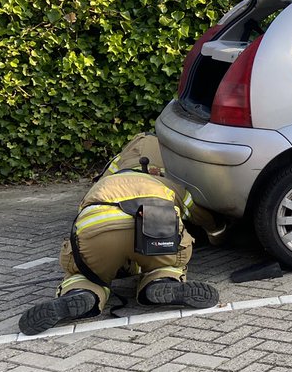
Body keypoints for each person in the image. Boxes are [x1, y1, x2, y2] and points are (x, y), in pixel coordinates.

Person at [18, 133, 222, 336]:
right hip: (155, 230)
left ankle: (81, 292)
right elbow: (198, 214)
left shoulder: (106, 180)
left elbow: (81, 214)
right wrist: (217, 232)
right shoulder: (168, 183)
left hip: (99, 233)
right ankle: (161, 281)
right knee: (168, 260)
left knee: (84, 272)